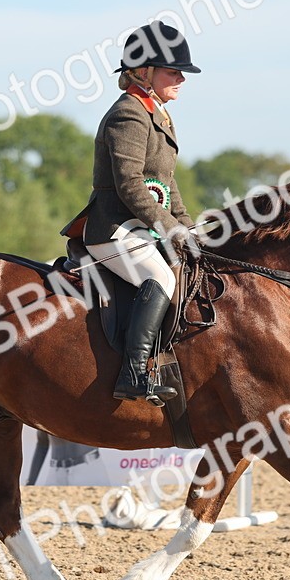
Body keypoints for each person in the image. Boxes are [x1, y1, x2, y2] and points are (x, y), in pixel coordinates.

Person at [62, 22, 200, 403]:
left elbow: (166, 186)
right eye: (173, 71)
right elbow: (131, 186)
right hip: (113, 227)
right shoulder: (129, 114)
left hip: (140, 228)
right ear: (143, 72)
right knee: (162, 278)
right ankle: (134, 373)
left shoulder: (157, 114)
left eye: (181, 73)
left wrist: (188, 228)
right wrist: (171, 231)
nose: (181, 79)